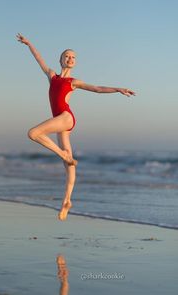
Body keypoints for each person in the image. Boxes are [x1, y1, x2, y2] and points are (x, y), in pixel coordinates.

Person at [16, 33, 135, 221]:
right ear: (61, 60)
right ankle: (67, 200)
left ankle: (63, 155)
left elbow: (97, 88)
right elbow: (39, 59)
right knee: (69, 165)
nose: (70, 59)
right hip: (60, 122)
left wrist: (118, 89)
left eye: (73, 57)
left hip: (66, 118)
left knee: (33, 133)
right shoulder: (52, 76)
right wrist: (29, 43)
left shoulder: (73, 82)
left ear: (75, 62)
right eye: (67, 56)